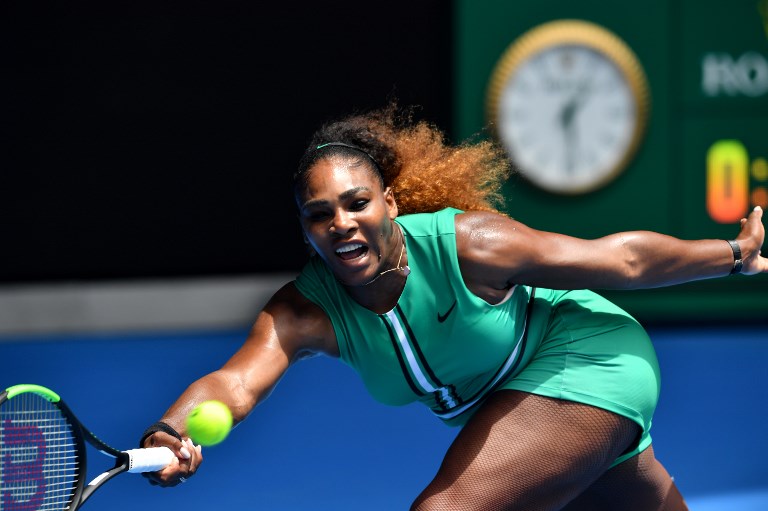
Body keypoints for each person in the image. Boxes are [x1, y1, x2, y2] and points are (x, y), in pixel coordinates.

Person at [140, 104, 767, 510]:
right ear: (305, 231)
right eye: (319, 215)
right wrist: (172, 431)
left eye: (356, 203)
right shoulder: (306, 310)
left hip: (585, 357)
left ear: (389, 202)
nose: (341, 223)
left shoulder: (468, 244)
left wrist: (732, 255)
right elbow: (232, 383)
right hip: (514, 406)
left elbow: (620, 260)